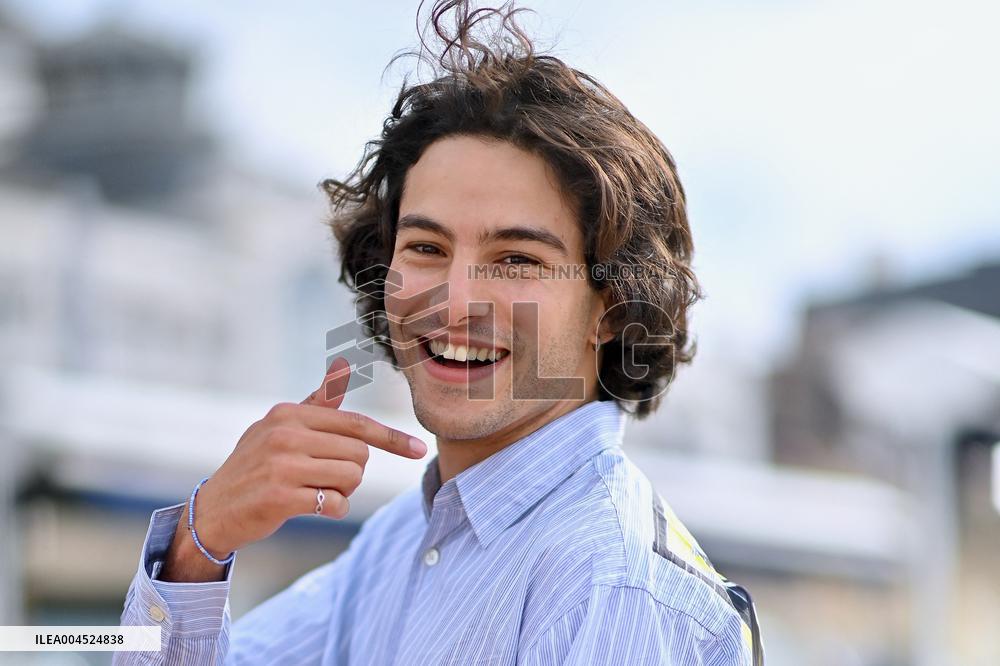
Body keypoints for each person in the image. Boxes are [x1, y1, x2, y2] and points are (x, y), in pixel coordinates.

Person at [115, 1, 761, 663]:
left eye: (517, 260)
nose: (454, 303)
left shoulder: (613, 588)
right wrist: (199, 542)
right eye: (426, 247)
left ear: (614, 306)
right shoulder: (399, 542)